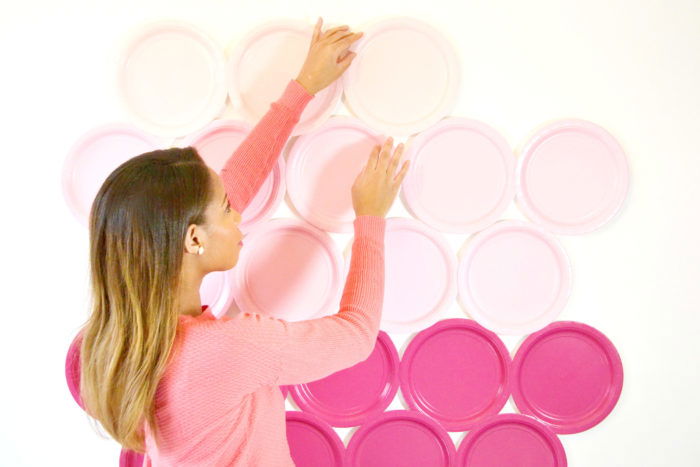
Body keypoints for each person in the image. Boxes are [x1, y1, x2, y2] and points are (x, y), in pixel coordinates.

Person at [71, 17, 410, 466]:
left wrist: (303, 88)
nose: (239, 216)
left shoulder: (116, 343)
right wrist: (371, 217)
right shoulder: (228, 349)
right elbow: (356, 336)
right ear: (192, 239)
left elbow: (236, 183)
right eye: (227, 211)